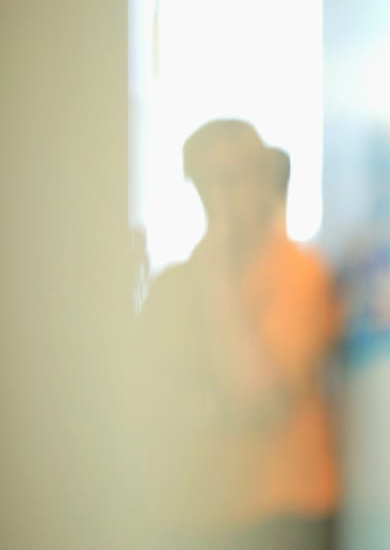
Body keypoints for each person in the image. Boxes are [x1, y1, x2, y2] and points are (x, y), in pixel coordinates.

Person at [140, 120, 340, 550]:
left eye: (234, 178)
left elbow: (260, 401)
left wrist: (214, 277)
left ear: (265, 178)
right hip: (199, 513)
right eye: (206, 180)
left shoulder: (299, 274)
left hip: (283, 515)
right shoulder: (175, 285)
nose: (222, 198)